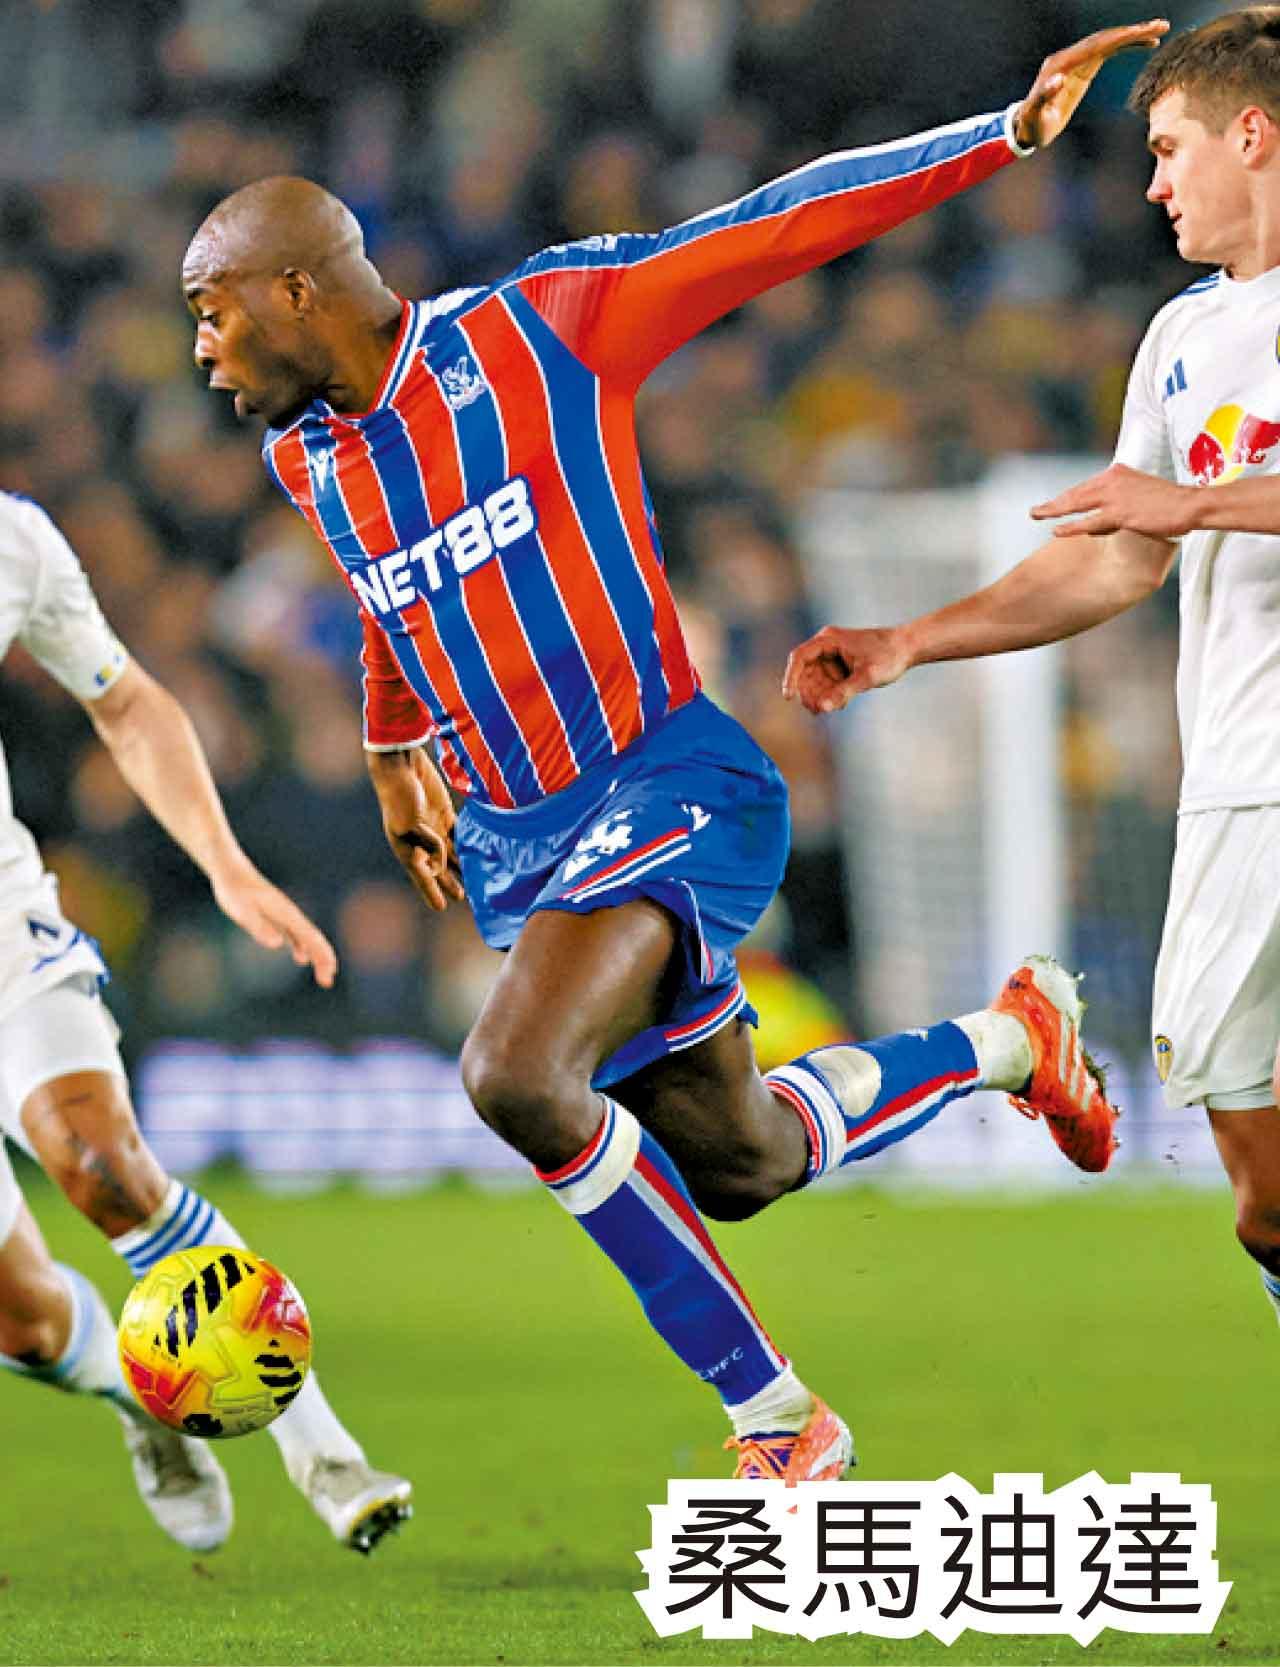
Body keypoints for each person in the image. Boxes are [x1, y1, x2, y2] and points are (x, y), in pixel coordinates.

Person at [182, 21, 1163, 1481]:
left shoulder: (540, 330)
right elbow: (390, 590)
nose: (200, 352)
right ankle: (1013, 1040)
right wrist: (395, 748)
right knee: (742, 1157)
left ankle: (779, 1418)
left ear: (295, 290)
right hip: (521, 841)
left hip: (667, 782)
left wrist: (996, 135)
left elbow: (767, 227)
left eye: (210, 314)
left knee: (514, 1074)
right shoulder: (304, 452)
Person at [787, 5, 1280, 1389]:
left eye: (1170, 148)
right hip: (1239, 785)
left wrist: (1194, 503)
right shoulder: (1184, 336)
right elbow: (1116, 556)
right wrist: (911, 640)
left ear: (1252, 134)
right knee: (1259, 1189)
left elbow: (1170, 513)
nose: (1154, 184)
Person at [0, 489, 412, 1554]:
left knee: (102, 1162)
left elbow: (128, 703)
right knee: (26, 1321)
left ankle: (325, 1453)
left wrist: (225, 865)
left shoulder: (16, 541)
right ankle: (132, 1388)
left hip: (2, 932)